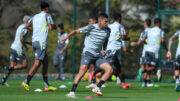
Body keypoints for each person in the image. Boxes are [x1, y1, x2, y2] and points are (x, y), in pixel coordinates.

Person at [60, 13, 113, 98]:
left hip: (98, 55)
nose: (107, 23)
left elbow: (105, 40)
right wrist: (65, 38)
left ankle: (97, 87)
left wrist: (104, 50)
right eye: (105, 21)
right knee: (83, 71)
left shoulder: (108, 30)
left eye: (107, 21)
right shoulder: (91, 27)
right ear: (99, 21)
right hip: (88, 53)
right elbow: (75, 31)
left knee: (109, 69)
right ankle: (72, 92)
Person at [21, 1, 57, 92]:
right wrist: (55, 26)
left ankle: (46, 85)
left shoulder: (35, 16)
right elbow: (50, 27)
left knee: (46, 62)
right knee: (37, 64)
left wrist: (36, 30)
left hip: (34, 41)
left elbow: (27, 25)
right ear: (47, 8)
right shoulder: (47, 15)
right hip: (41, 42)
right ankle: (26, 81)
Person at [131, 18, 167, 87]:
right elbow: (162, 41)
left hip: (147, 50)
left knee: (147, 66)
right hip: (154, 51)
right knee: (154, 67)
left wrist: (137, 43)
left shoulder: (149, 31)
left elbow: (143, 40)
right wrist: (166, 48)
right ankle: (150, 72)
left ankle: (145, 82)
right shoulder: (161, 31)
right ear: (159, 23)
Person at [0, 16, 31, 85]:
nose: (31, 22)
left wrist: (28, 43)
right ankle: (8, 68)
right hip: (18, 49)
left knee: (12, 66)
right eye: (30, 21)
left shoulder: (20, 26)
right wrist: (26, 47)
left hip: (12, 48)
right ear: (27, 21)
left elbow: (20, 39)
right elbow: (21, 39)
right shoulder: (25, 28)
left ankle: (3, 80)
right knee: (25, 65)